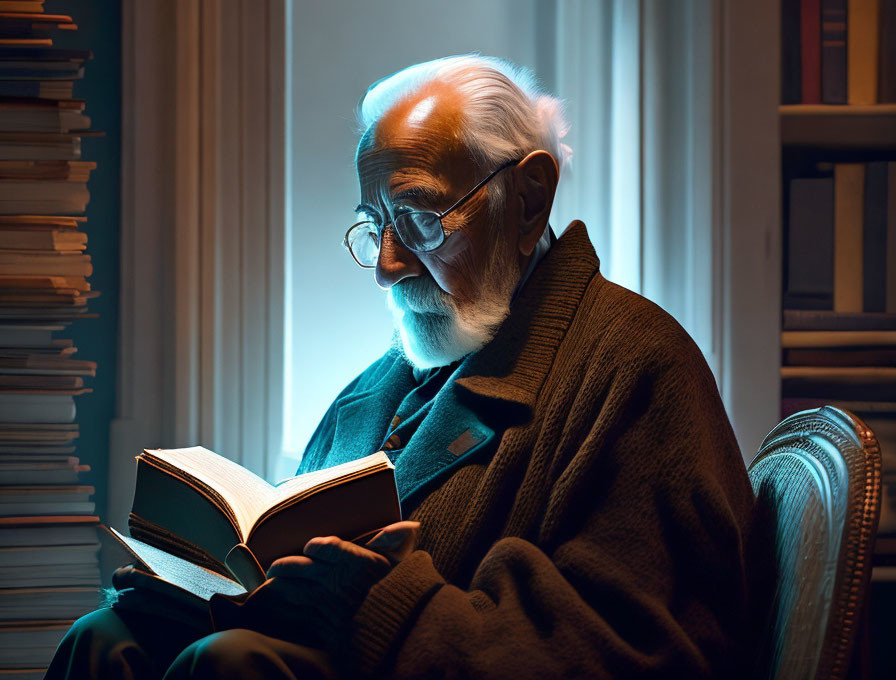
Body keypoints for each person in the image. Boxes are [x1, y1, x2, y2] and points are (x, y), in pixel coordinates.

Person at [46, 54, 758, 679]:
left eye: (419, 218)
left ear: (528, 201)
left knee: (231, 666)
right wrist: (198, 589)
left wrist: (386, 611)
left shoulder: (636, 366)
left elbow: (652, 655)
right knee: (106, 641)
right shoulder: (385, 382)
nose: (387, 268)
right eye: (374, 225)